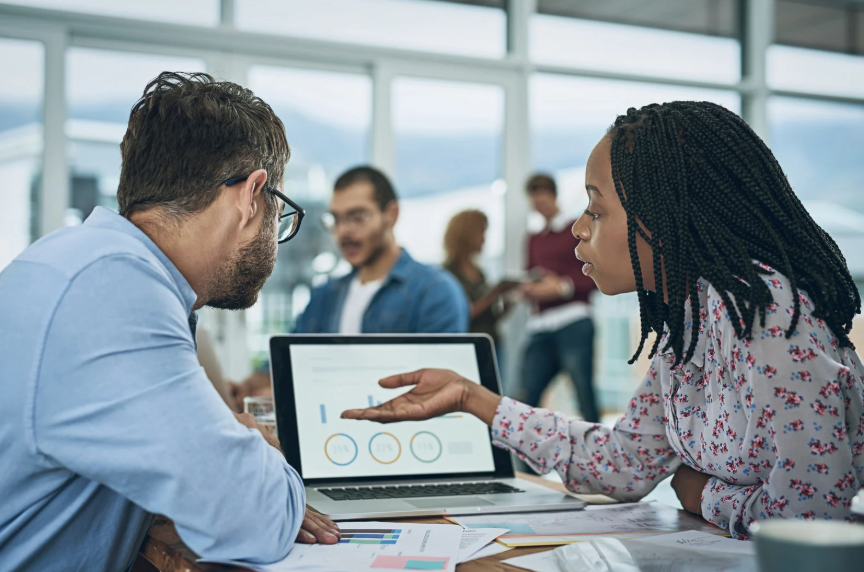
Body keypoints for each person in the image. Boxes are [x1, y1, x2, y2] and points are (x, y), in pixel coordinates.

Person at [342, 101, 864, 539]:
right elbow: (625, 463)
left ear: (664, 215)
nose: (578, 226)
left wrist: (703, 494)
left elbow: (811, 520)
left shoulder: (767, 314)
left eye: (597, 209)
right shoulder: (690, 324)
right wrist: (470, 398)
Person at [0, 72, 340, 572]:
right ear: (252, 194)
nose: (274, 232)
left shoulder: (73, 262)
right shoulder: (113, 288)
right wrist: (250, 446)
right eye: (279, 213)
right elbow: (253, 520)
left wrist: (221, 448)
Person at [294, 165, 468, 334]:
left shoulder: (434, 292)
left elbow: (440, 363)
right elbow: (285, 360)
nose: (342, 230)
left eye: (357, 216)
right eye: (336, 218)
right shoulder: (324, 296)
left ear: (392, 214)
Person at [517, 173, 600, 422]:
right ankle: (525, 460)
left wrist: (562, 288)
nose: (539, 206)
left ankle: (599, 458)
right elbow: (530, 273)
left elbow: (597, 275)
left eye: (543, 200)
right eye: (535, 202)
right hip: (541, 325)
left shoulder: (575, 231)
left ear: (554, 197)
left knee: (584, 394)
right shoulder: (533, 239)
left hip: (573, 322)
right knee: (526, 397)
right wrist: (529, 289)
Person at [443, 209, 516, 373]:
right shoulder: (447, 276)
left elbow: (489, 317)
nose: (484, 239)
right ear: (466, 235)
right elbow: (460, 315)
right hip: (467, 350)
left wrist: (510, 301)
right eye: (481, 233)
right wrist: (493, 293)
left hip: (491, 345)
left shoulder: (479, 273)